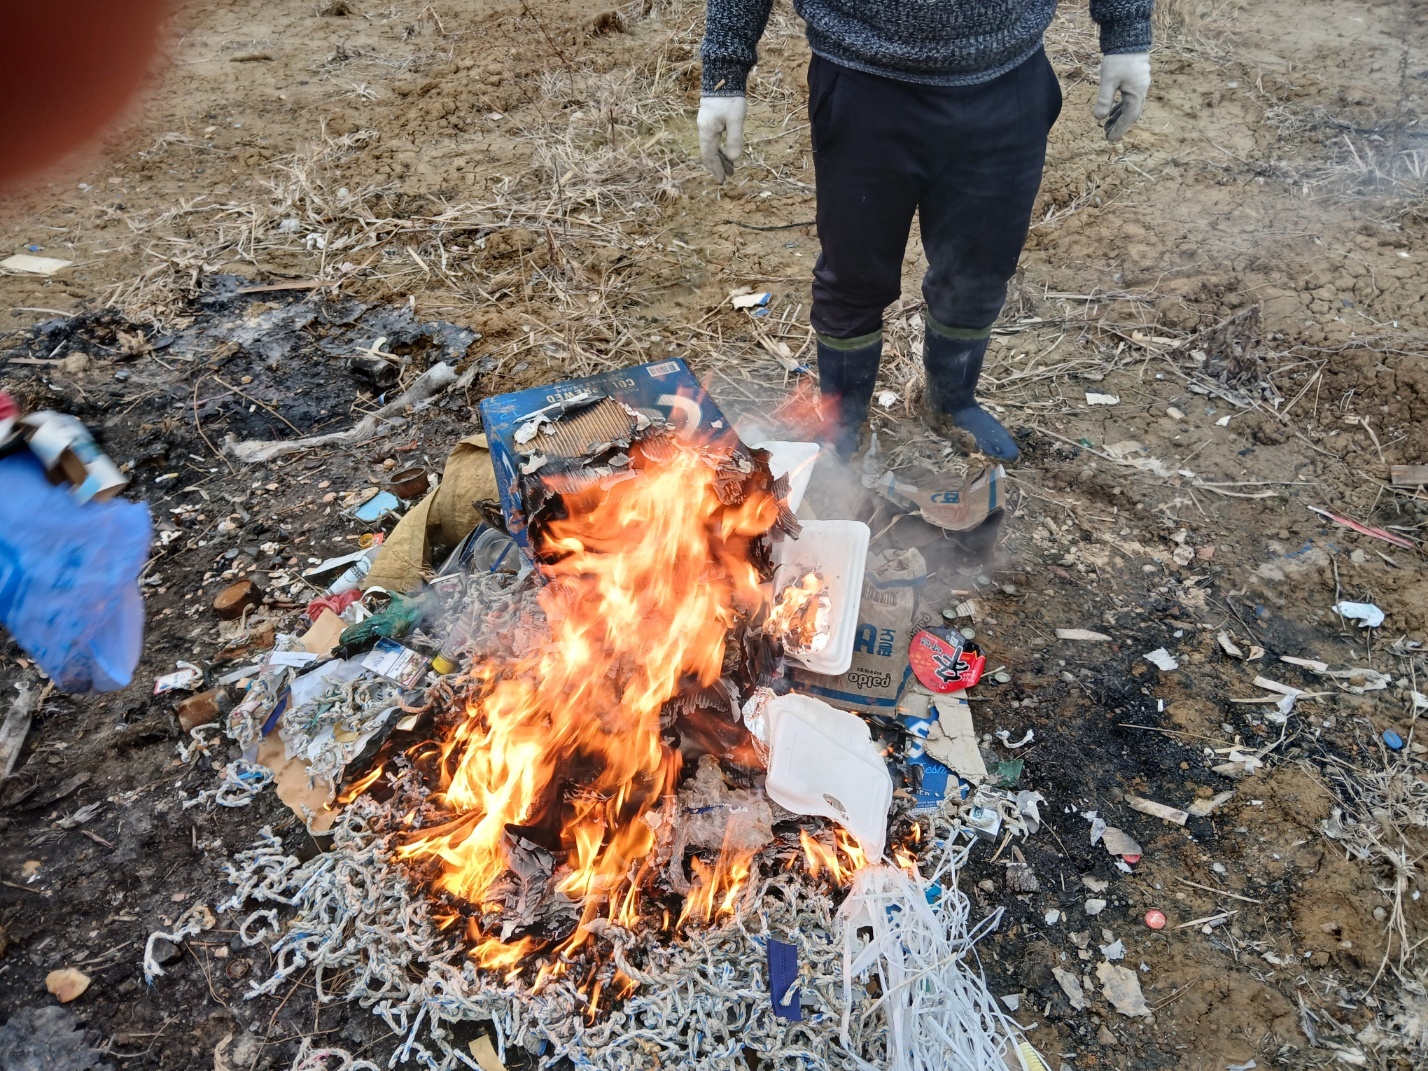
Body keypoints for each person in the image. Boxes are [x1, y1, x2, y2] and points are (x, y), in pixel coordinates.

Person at [698, 1, 1153, 462]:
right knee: (853, 275)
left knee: (980, 267)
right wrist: (724, 76)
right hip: (862, 82)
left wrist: (1127, 37)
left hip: (1007, 79)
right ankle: (844, 421)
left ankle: (952, 404)